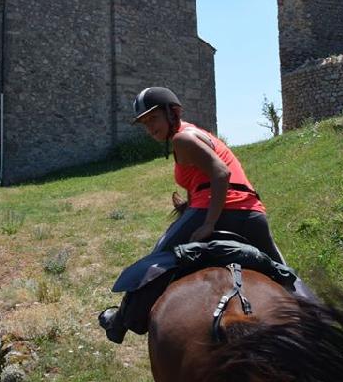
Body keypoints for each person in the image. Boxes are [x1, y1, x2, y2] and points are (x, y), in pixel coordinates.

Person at [98, 86, 296, 344]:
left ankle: (119, 322)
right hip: (251, 215)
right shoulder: (199, 134)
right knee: (285, 275)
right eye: (145, 123)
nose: (150, 128)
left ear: (173, 113)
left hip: (213, 210)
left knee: (155, 262)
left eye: (153, 119)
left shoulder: (183, 139)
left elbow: (221, 174)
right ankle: (316, 322)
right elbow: (209, 178)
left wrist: (209, 223)